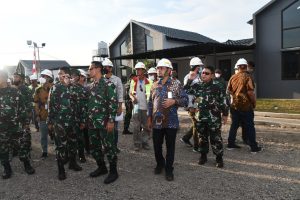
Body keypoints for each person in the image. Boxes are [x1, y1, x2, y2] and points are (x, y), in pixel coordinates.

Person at [148, 58, 188, 181]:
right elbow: (150, 103)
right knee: (156, 145)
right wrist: (149, 118)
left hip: (171, 122)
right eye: (158, 68)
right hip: (157, 122)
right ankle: (160, 164)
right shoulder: (154, 85)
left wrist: (174, 101)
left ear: (169, 70)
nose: (159, 70)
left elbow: (185, 100)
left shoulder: (176, 84)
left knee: (170, 147)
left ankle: (169, 169)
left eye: (162, 68)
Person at [185, 66, 229, 168]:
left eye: (207, 73)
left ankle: (219, 158)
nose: (203, 74)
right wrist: (190, 79)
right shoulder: (197, 85)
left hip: (213, 118)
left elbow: (223, 101)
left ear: (212, 75)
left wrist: (225, 114)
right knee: (202, 138)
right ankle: (203, 156)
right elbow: (185, 90)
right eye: (203, 73)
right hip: (200, 117)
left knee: (216, 138)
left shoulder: (218, 86)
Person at [86, 61, 119, 184]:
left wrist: (111, 121)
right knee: (94, 147)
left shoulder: (108, 84)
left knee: (109, 147)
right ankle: (102, 167)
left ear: (98, 69)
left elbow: (113, 103)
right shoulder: (90, 86)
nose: (89, 71)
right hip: (92, 122)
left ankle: (113, 171)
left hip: (105, 123)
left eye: (91, 69)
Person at [47, 67, 82, 180]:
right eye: (58, 74)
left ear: (67, 75)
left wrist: (70, 85)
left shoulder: (75, 87)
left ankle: (72, 163)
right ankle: (61, 169)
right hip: (60, 122)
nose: (59, 76)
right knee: (60, 146)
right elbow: (50, 105)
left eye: (61, 74)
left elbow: (81, 100)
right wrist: (50, 122)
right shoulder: (55, 88)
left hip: (73, 122)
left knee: (73, 144)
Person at [0, 70, 34, 179]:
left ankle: (27, 164)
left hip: (16, 126)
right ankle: (7, 168)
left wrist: (26, 124)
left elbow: (22, 109)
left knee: (22, 145)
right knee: (3, 148)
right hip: (2, 128)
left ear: (4, 78)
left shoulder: (15, 92)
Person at [227, 58, 262, 153]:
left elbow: (229, 90)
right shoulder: (248, 77)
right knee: (250, 126)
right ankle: (253, 147)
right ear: (246, 66)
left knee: (234, 125)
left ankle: (230, 144)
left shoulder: (232, 77)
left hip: (234, 106)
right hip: (246, 107)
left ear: (237, 67)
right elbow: (251, 93)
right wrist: (254, 102)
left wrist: (235, 96)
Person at [12, 71, 36, 174]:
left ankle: (27, 163)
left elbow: (29, 104)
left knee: (24, 141)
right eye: (14, 77)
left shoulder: (25, 89)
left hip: (22, 120)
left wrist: (27, 120)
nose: (14, 78)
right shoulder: (12, 89)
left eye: (16, 77)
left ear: (20, 79)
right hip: (13, 120)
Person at [180, 57, 203, 152]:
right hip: (191, 105)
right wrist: (190, 80)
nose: (200, 68)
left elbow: (200, 92)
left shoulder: (200, 76)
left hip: (197, 104)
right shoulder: (188, 77)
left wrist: (199, 104)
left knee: (196, 124)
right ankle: (196, 146)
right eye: (199, 67)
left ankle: (185, 138)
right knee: (196, 124)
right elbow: (185, 89)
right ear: (195, 67)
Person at [129, 62, 152, 151]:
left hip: (146, 108)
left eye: (139, 69)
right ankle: (137, 144)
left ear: (143, 71)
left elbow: (151, 95)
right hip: (136, 107)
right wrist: (132, 98)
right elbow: (130, 93)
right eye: (136, 69)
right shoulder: (133, 81)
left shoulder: (149, 82)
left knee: (146, 127)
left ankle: (145, 142)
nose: (137, 71)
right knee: (136, 127)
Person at [102, 58, 123, 152]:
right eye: (105, 67)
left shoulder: (117, 79)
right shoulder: (100, 79)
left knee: (114, 128)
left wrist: (120, 107)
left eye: (108, 67)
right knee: (104, 128)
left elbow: (120, 93)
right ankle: (106, 146)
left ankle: (114, 146)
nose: (107, 68)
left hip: (114, 108)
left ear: (111, 68)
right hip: (102, 108)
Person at [34, 69, 54, 158]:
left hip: (54, 116)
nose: (42, 78)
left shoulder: (54, 88)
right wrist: (37, 114)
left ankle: (60, 151)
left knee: (57, 134)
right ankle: (44, 151)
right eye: (42, 76)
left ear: (49, 78)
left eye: (45, 76)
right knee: (43, 135)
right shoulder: (38, 90)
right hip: (43, 115)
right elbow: (36, 103)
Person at [70, 69, 88, 163]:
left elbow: (84, 107)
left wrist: (83, 121)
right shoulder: (66, 88)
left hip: (78, 118)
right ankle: (70, 156)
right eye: (72, 75)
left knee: (80, 138)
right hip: (68, 119)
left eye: (75, 76)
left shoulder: (81, 89)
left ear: (78, 77)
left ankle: (81, 155)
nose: (73, 77)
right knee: (69, 138)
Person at [78, 69, 91, 154]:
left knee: (87, 133)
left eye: (82, 76)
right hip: (77, 114)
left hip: (86, 114)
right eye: (80, 76)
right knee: (79, 135)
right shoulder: (73, 87)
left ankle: (88, 149)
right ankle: (81, 153)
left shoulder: (88, 88)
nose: (81, 78)